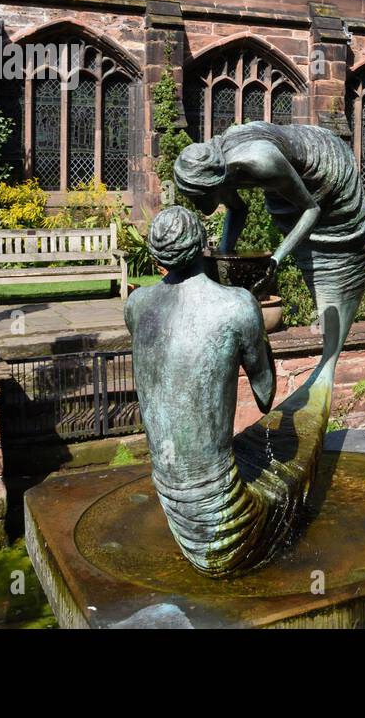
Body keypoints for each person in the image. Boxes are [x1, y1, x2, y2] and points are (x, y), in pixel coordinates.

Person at [124, 205, 276, 574]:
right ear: (202, 247)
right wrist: (254, 326)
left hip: (168, 491)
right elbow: (265, 396)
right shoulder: (237, 304)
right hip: (222, 507)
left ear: (157, 254)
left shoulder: (136, 304)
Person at [172, 121, 365, 402]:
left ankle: (327, 368)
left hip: (328, 173)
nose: (197, 205)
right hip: (292, 187)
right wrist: (222, 256)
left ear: (212, 183)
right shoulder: (217, 169)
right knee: (308, 256)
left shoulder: (259, 160)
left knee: (334, 266)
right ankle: (322, 374)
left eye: (199, 197)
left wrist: (275, 260)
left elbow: (311, 209)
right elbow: (238, 209)